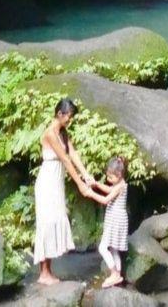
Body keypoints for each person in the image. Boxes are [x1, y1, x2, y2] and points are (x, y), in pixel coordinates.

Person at [33, 98, 98, 285]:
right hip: (47, 182)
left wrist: (86, 175)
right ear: (59, 114)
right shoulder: (50, 133)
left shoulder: (62, 132)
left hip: (56, 182)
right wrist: (80, 185)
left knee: (55, 219)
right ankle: (43, 273)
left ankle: (48, 271)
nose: (70, 120)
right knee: (47, 222)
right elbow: (65, 160)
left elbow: (73, 154)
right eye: (68, 117)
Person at [91, 155, 129, 288]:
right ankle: (118, 275)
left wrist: (90, 193)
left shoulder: (119, 186)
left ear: (119, 175)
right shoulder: (120, 184)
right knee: (114, 249)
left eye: (111, 177)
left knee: (103, 247)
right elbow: (109, 190)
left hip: (115, 220)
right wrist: (96, 184)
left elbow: (105, 200)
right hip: (118, 219)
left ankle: (114, 273)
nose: (108, 179)